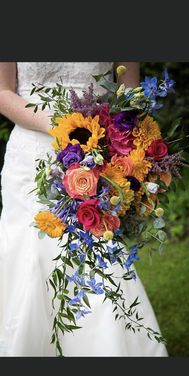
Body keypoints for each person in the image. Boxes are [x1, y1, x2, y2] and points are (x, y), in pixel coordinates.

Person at [0, 62, 168, 357]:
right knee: (28, 256)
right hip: (30, 160)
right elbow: (3, 91)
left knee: (96, 258)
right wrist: (62, 127)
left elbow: (129, 92)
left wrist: (125, 152)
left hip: (96, 154)